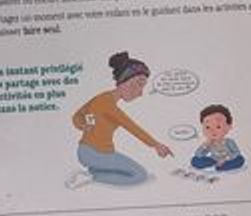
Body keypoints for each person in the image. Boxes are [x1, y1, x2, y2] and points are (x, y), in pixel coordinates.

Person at [66, 52, 172, 188]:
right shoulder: (107, 103)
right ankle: (93, 177)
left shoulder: (102, 98)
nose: (140, 92)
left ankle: (93, 172)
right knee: (139, 175)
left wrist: (84, 125)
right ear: (123, 81)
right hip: (96, 153)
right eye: (138, 84)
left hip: (93, 151)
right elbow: (131, 126)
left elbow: (77, 116)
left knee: (130, 170)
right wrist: (156, 145)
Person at [191, 105, 245, 172]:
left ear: (228, 127)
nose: (212, 131)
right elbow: (198, 154)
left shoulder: (229, 142)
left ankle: (222, 167)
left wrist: (225, 159)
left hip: (228, 160)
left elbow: (236, 153)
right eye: (207, 127)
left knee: (240, 159)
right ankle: (215, 165)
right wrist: (206, 145)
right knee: (195, 160)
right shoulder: (209, 143)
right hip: (214, 160)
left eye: (218, 127)